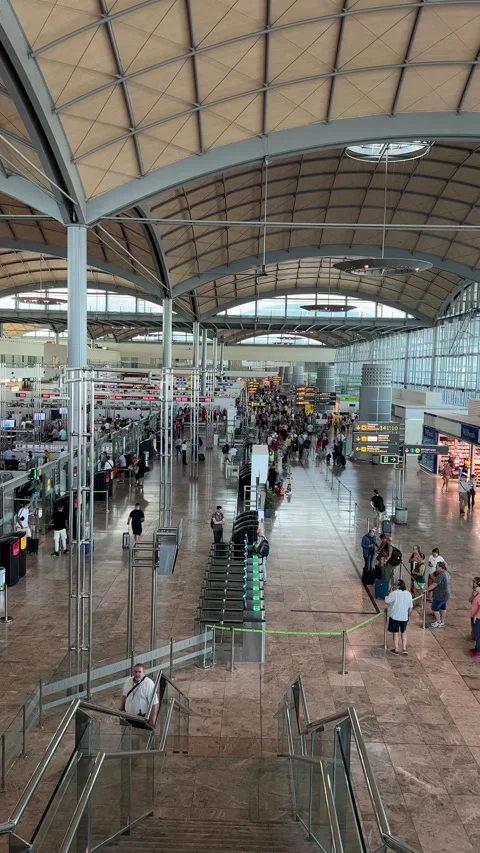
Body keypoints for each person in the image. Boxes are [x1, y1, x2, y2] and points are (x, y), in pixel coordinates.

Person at [385, 579, 413, 655]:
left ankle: (396, 649)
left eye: (395, 585)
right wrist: (408, 616)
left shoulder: (394, 593)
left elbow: (387, 600)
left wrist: (390, 592)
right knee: (404, 632)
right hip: (404, 617)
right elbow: (410, 607)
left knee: (395, 632)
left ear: (398, 586)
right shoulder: (408, 594)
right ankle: (404, 648)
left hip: (395, 616)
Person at [428, 561, 450, 628]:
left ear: (440, 567)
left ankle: (438, 621)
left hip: (440, 595)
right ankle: (442, 621)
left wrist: (427, 589)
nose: (435, 568)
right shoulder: (446, 573)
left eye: (436, 567)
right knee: (443, 607)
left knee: (434, 607)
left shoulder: (441, 574)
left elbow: (435, 584)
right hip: (446, 594)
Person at [471, 583, 480, 656]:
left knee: (478, 634)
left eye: (475, 586)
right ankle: (477, 647)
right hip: (476, 617)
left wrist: (476, 616)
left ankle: (479, 650)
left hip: (478, 619)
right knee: (476, 634)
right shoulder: (478, 594)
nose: (473, 588)